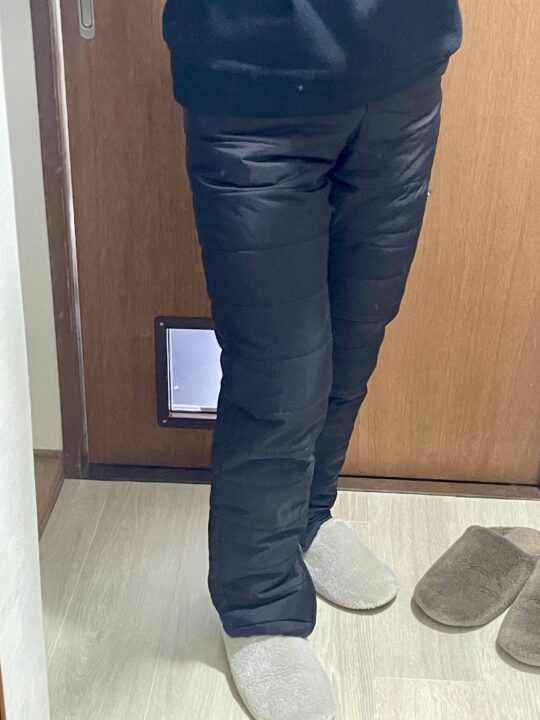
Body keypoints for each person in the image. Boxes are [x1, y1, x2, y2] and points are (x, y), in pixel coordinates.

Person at [162, 3, 463, 719]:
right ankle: (259, 608)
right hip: (252, 90)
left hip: (405, 68)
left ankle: (309, 519)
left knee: (356, 338)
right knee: (278, 377)